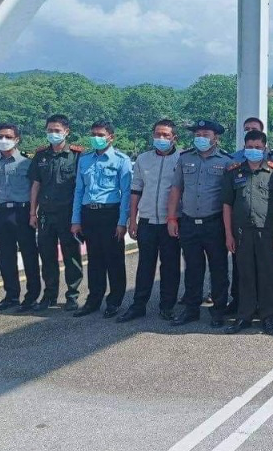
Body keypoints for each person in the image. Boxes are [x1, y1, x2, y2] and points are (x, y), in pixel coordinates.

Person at [167, 119, 234, 327]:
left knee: (218, 268)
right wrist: (171, 217)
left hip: (214, 223)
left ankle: (219, 310)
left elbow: (228, 198)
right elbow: (176, 189)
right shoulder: (184, 158)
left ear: (216, 138)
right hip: (188, 222)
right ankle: (191, 309)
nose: (201, 138)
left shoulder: (225, 161)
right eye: (198, 134)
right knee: (193, 268)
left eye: (205, 134)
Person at [222, 130, 273, 336]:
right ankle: (244, 316)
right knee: (245, 275)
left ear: (265, 148)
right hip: (241, 233)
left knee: (268, 275)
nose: (254, 151)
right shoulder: (234, 171)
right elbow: (227, 205)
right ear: (244, 148)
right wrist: (228, 234)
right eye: (250, 147)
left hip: (267, 233)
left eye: (258, 148)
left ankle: (268, 317)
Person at [119, 119, 182, 323]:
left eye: (165, 135)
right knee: (145, 265)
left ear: (174, 138)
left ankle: (167, 306)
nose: (161, 138)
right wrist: (133, 219)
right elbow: (135, 189)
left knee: (170, 265)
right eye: (157, 134)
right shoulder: (143, 159)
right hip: (146, 221)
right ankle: (138, 305)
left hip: (171, 222)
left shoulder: (182, 159)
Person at [70, 120, 133, 318]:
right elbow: (79, 191)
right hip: (89, 214)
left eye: (100, 134)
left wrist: (122, 222)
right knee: (95, 260)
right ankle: (93, 300)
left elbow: (126, 194)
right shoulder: (85, 159)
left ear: (110, 137)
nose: (96, 138)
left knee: (114, 260)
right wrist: (76, 219)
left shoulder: (121, 160)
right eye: (93, 134)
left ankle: (114, 301)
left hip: (110, 213)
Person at [28, 114, 84, 311]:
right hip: (45, 214)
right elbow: (35, 185)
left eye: (57, 131)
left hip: (68, 214)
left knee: (71, 256)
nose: (53, 134)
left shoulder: (77, 155)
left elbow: (81, 187)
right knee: (47, 255)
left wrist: (79, 217)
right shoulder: (41, 156)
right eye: (50, 130)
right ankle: (49, 295)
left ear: (66, 132)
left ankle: (72, 295)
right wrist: (32, 213)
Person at [0, 123, 41, 313]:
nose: (3, 140)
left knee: (29, 254)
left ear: (17, 139)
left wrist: (33, 212)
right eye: (0, 136)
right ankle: (11, 295)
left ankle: (32, 296)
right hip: (2, 212)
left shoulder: (27, 162)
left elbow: (35, 188)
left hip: (23, 211)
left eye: (8, 137)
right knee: (5, 255)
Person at [227, 116, 265, 316]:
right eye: (247, 129)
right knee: (242, 270)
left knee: (266, 271)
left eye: (254, 129)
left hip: (265, 229)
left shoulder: (272, 168)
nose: (253, 149)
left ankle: (266, 310)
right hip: (241, 229)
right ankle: (241, 306)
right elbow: (228, 201)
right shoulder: (233, 163)